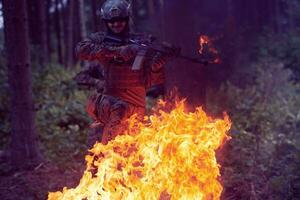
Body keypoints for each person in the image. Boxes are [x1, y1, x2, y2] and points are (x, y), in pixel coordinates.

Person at [76, 0, 169, 145]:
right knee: (101, 152)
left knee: (130, 156)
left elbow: (149, 78)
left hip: (136, 107)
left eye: (120, 20)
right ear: (105, 22)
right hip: (110, 106)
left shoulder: (142, 41)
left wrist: (158, 64)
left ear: (127, 19)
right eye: (111, 21)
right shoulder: (100, 39)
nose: (116, 24)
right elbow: (81, 50)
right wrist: (117, 51)